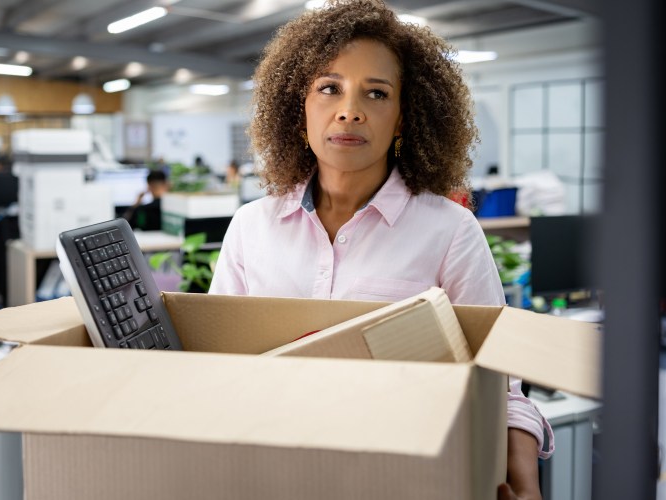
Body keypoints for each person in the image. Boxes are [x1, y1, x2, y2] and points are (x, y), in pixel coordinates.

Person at [208, 1, 551, 498]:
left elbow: (501, 380)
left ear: (402, 120)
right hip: (270, 472)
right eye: (329, 88)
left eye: (376, 92)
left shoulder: (450, 231)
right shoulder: (250, 228)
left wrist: (523, 474)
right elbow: (215, 361)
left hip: (403, 477)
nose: (350, 109)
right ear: (298, 110)